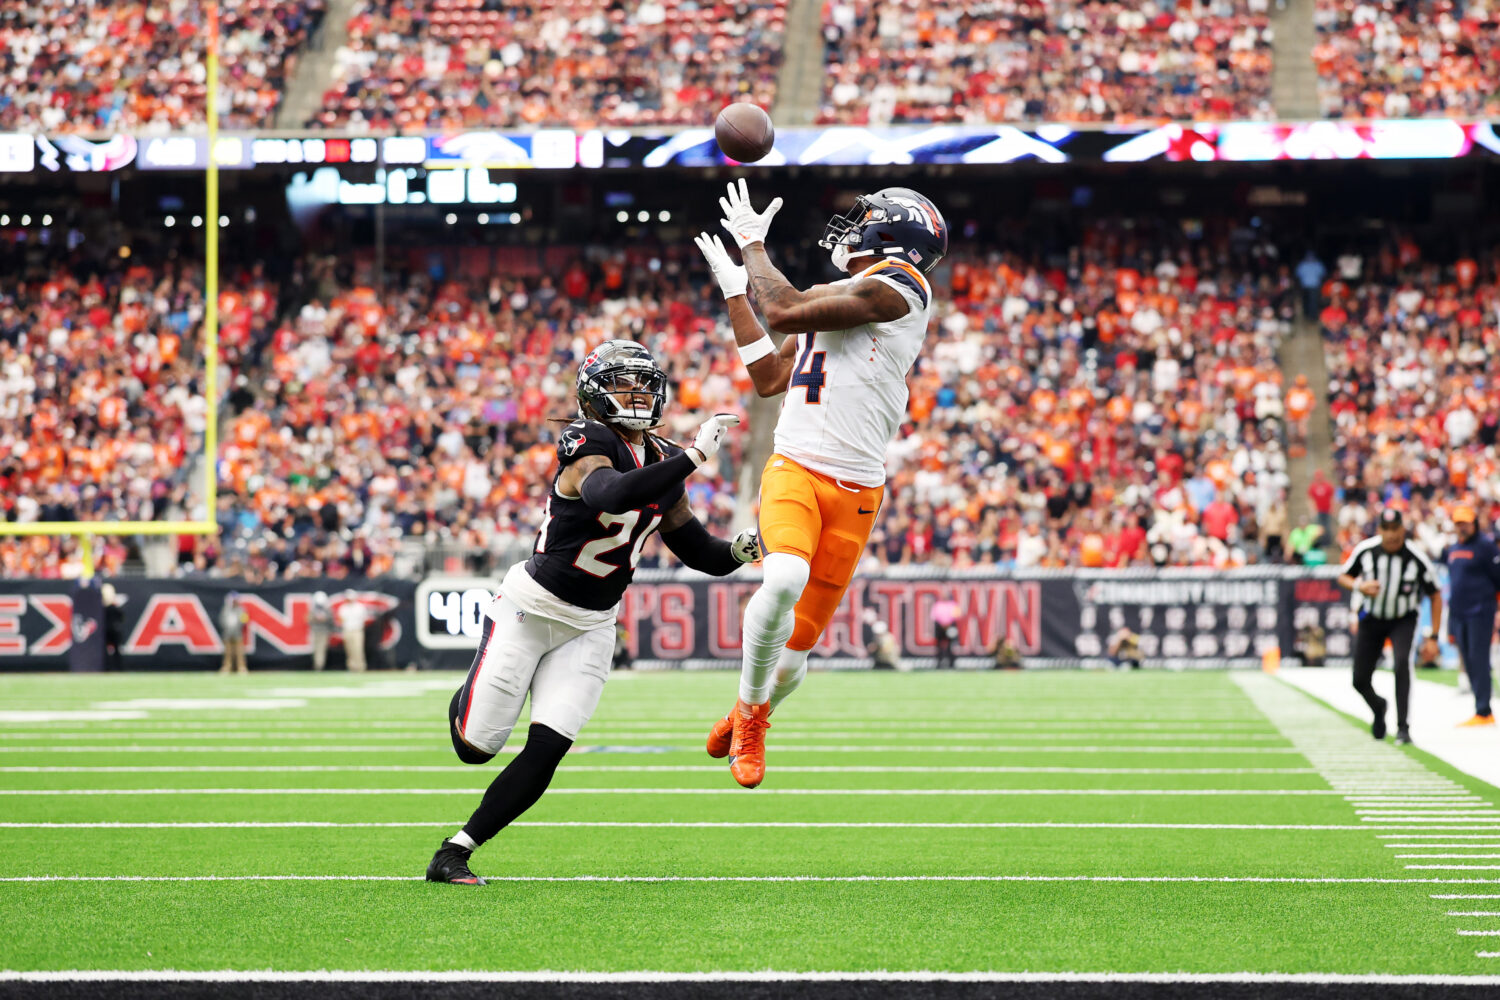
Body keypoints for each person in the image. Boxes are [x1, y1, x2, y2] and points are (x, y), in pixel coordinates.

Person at [426, 340, 759, 885]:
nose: (639, 394)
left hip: (592, 624)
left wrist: (741, 551)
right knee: (474, 748)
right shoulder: (588, 441)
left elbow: (697, 549)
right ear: (594, 394)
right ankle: (472, 689)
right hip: (530, 609)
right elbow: (609, 494)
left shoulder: (662, 458)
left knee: (549, 746)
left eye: (646, 384)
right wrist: (693, 458)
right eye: (625, 383)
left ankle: (455, 852)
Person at [695, 179, 944, 788]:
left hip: (858, 488)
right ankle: (752, 718)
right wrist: (735, 294)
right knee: (783, 574)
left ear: (889, 230)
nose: (847, 227)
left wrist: (753, 249)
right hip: (797, 464)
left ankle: (752, 705)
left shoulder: (901, 287)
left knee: (797, 657)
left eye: (862, 218)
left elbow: (780, 308)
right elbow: (768, 376)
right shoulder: (837, 293)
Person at [1337, 508, 1442, 745]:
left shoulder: (1416, 556)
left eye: (1396, 529)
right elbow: (1343, 576)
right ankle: (1379, 706)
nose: (1392, 535)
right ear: (1379, 530)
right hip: (1372, 617)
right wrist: (1360, 586)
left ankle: (1403, 727)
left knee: (1402, 663)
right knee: (1359, 679)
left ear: (1402, 529)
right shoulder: (1366, 550)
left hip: (1403, 618)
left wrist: (1434, 636)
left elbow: (1435, 594)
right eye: (1387, 529)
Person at [1441, 504, 1500, 726]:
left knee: (1479, 659)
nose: (1461, 527)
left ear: (1474, 523)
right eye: (1458, 523)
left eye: (1465, 523)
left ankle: (1484, 711)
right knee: (1468, 660)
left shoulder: (1486, 547)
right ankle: (1480, 707)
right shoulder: (1453, 548)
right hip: (1459, 612)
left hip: (1480, 611)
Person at [218, 592, 248, 674]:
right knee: (228, 653)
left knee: (239, 652)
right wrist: (227, 628)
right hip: (227, 634)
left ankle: (241, 667)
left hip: (238, 633)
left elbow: (244, 620)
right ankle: (227, 667)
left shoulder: (241, 609)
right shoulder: (226, 609)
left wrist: (238, 626)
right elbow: (222, 620)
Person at [338, 592, 368, 672]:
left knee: (358, 649)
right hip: (347, 630)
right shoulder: (343, 608)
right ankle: (351, 667)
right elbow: (341, 619)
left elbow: (364, 618)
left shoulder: (360, 607)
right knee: (349, 649)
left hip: (357, 630)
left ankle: (360, 667)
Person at [932, 595, 959, 669]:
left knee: (951, 646)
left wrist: (948, 625)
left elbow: (956, 616)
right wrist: (943, 625)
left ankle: (952, 663)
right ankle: (939, 663)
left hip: (950, 627)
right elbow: (935, 616)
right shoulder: (938, 605)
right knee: (939, 647)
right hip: (940, 628)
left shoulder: (953, 604)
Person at [309, 591, 334, 671]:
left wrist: (324, 618)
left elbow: (331, 621)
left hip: (323, 632)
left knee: (321, 649)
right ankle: (316, 665)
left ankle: (319, 666)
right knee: (315, 649)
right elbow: (308, 620)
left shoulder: (327, 610)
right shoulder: (313, 610)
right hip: (315, 631)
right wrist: (315, 618)